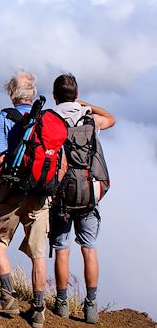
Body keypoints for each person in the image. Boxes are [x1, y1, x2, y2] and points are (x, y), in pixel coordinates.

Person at [0, 71, 50, 328]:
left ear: (12, 93)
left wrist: (1, 186)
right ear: (32, 93)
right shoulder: (46, 117)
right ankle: (38, 309)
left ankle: (8, 298)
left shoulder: (6, 117)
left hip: (12, 191)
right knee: (38, 254)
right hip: (41, 192)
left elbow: (0, 157)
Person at [49, 73, 115, 324]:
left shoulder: (51, 118)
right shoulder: (88, 118)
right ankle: (91, 305)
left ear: (55, 96)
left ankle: (62, 302)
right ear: (76, 94)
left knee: (61, 248)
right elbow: (111, 119)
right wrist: (86, 104)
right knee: (89, 249)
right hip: (88, 192)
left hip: (61, 195)